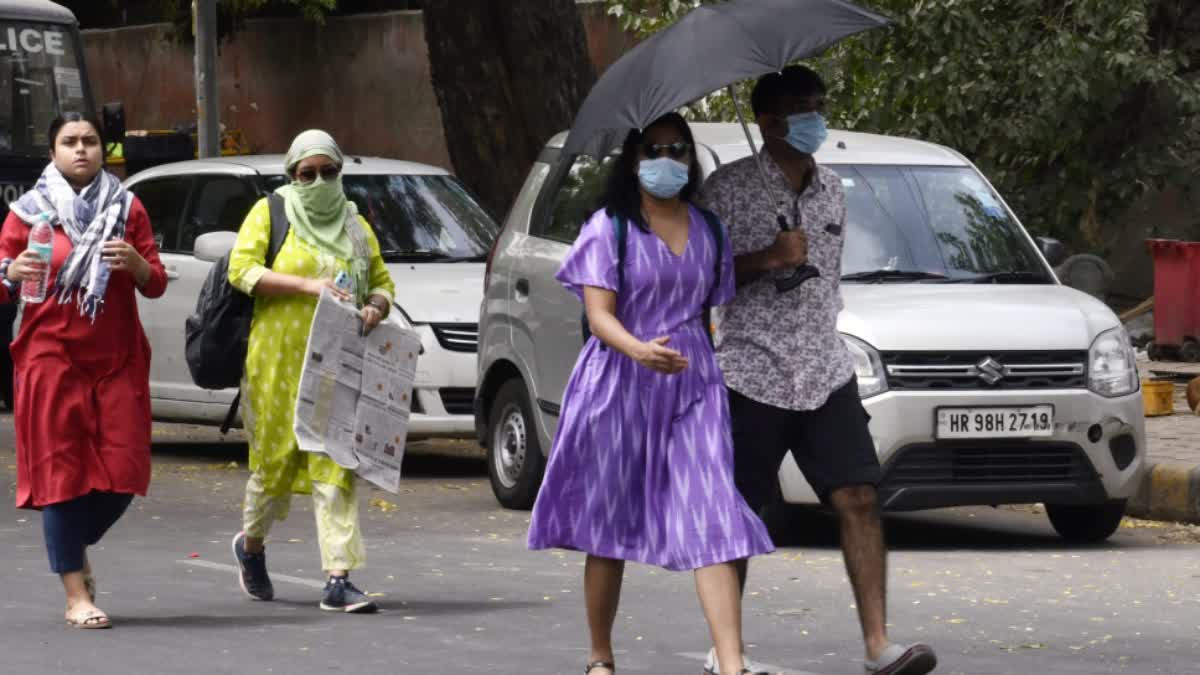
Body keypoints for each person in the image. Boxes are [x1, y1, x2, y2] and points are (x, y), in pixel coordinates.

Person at [698, 66, 938, 674]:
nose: (814, 118)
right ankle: (726, 650)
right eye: (801, 108)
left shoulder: (833, 188)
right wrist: (765, 259)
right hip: (751, 370)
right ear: (768, 122)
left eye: (817, 105)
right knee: (741, 513)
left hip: (824, 368)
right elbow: (697, 277)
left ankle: (879, 645)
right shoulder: (726, 190)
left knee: (858, 495)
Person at [527, 112, 775, 675]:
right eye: (655, 149)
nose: (668, 160)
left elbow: (714, 305)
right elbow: (598, 317)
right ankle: (600, 657)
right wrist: (640, 350)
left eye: (679, 150)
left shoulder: (710, 229)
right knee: (608, 526)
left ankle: (732, 666)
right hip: (618, 384)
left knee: (712, 513)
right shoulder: (608, 228)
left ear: (692, 160)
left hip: (692, 385)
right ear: (635, 159)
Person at [0, 112, 167, 629]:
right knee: (60, 474)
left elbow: (156, 281)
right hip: (50, 356)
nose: (80, 150)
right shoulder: (27, 214)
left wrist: (138, 266)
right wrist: (12, 270)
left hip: (116, 359)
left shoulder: (128, 209)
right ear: (53, 153)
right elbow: (3, 272)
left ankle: (71, 542)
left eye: (90, 141)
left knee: (125, 471)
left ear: (102, 150)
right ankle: (76, 594)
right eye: (69, 142)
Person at [227, 130, 395, 613]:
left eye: (329, 171)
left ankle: (338, 579)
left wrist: (375, 308)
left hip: (337, 363)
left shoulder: (355, 224)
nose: (319, 181)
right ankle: (251, 547)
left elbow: (381, 282)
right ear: (292, 176)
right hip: (277, 362)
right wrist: (307, 285)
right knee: (274, 465)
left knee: (335, 463)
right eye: (308, 173)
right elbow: (241, 271)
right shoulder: (271, 213)